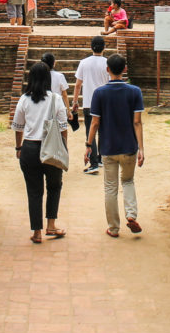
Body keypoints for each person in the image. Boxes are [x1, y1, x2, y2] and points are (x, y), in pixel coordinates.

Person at [85, 53, 145, 238]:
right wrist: (141, 148)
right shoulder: (135, 91)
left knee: (110, 187)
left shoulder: (100, 93)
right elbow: (137, 122)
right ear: (125, 69)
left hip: (108, 147)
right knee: (128, 181)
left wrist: (88, 145)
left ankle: (113, 228)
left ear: (107, 70)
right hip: (129, 147)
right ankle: (131, 214)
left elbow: (95, 123)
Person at [12, 62, 68, 243]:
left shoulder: (24, 99)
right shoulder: (55, 99)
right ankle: (51, 225)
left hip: (29, 148)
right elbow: (63, 127)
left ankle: (37, 232)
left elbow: (18, 126)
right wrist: (64, 147)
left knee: (34, 191)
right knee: (54, 186)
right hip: (51, 147)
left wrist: (18, 147)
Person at [73, 35, 108, 174]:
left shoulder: (84, 63)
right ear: (104, 47)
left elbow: (77, 85)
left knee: (90, 132)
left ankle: (93, 163)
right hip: (104, 103)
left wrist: (75, 102)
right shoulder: (107, 63)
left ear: (91, 47)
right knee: (103, 131)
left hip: (89, 102)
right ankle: (100, 159)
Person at [41, 52, 74, 129]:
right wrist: (68, 110)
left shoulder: (39, 76)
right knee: (59, 129)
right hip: (57, 106)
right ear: (54, 63)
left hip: (42, 105)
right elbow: (64, 94)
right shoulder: (59, 76)